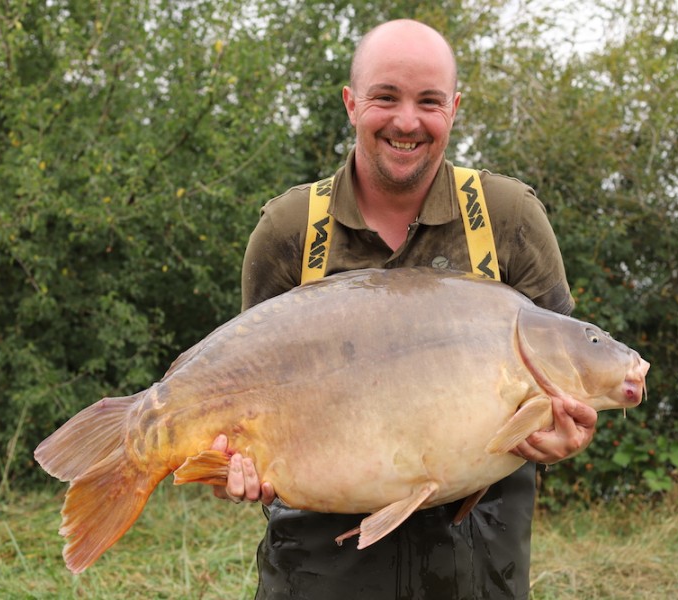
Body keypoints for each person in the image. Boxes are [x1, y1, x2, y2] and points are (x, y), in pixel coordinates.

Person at [210, 19, 597, 600]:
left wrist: (571, 436)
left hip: (477, 566)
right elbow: (240, 397)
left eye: (429, 102)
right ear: (350, 103)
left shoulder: (508, 216)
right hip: (317, 570)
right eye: (385, 97)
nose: (407, 121)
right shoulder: (289, 229)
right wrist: (228, 466)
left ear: (455, 109)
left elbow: (571, 370)